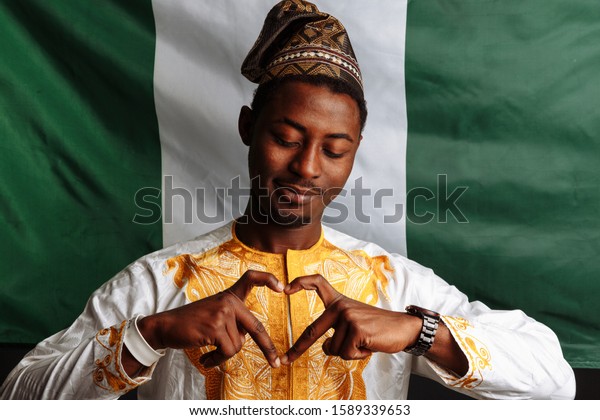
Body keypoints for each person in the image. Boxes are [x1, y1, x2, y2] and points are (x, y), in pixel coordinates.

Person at [1, 0, 575, 400]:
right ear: (249, 127)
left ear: (354, 155)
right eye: (287, 138)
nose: (306, 168)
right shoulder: (161, 282)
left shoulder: (393, 285)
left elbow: (556, 378)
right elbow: (20, 395)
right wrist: (151, 336)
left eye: (334, 149)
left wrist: (420, 333)